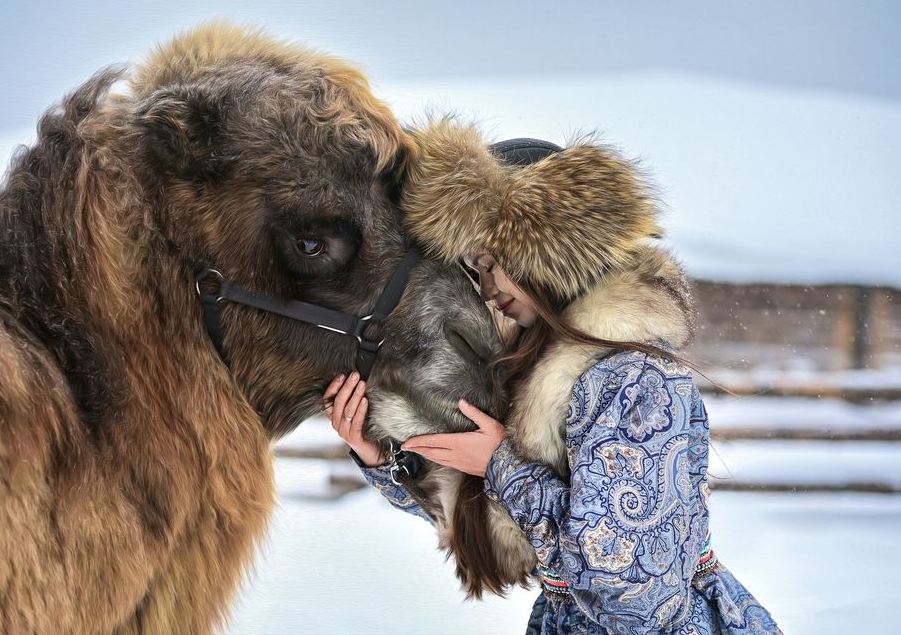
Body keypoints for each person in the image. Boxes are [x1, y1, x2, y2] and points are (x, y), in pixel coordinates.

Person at [325, 122, 781, 634]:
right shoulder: (527, 370)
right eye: (476, 268)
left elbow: (637, 595)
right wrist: (379, 457)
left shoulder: (638, 383)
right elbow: (496, 534)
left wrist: (504, 465)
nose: (487, 285)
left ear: (549, 252)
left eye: (495, 263)